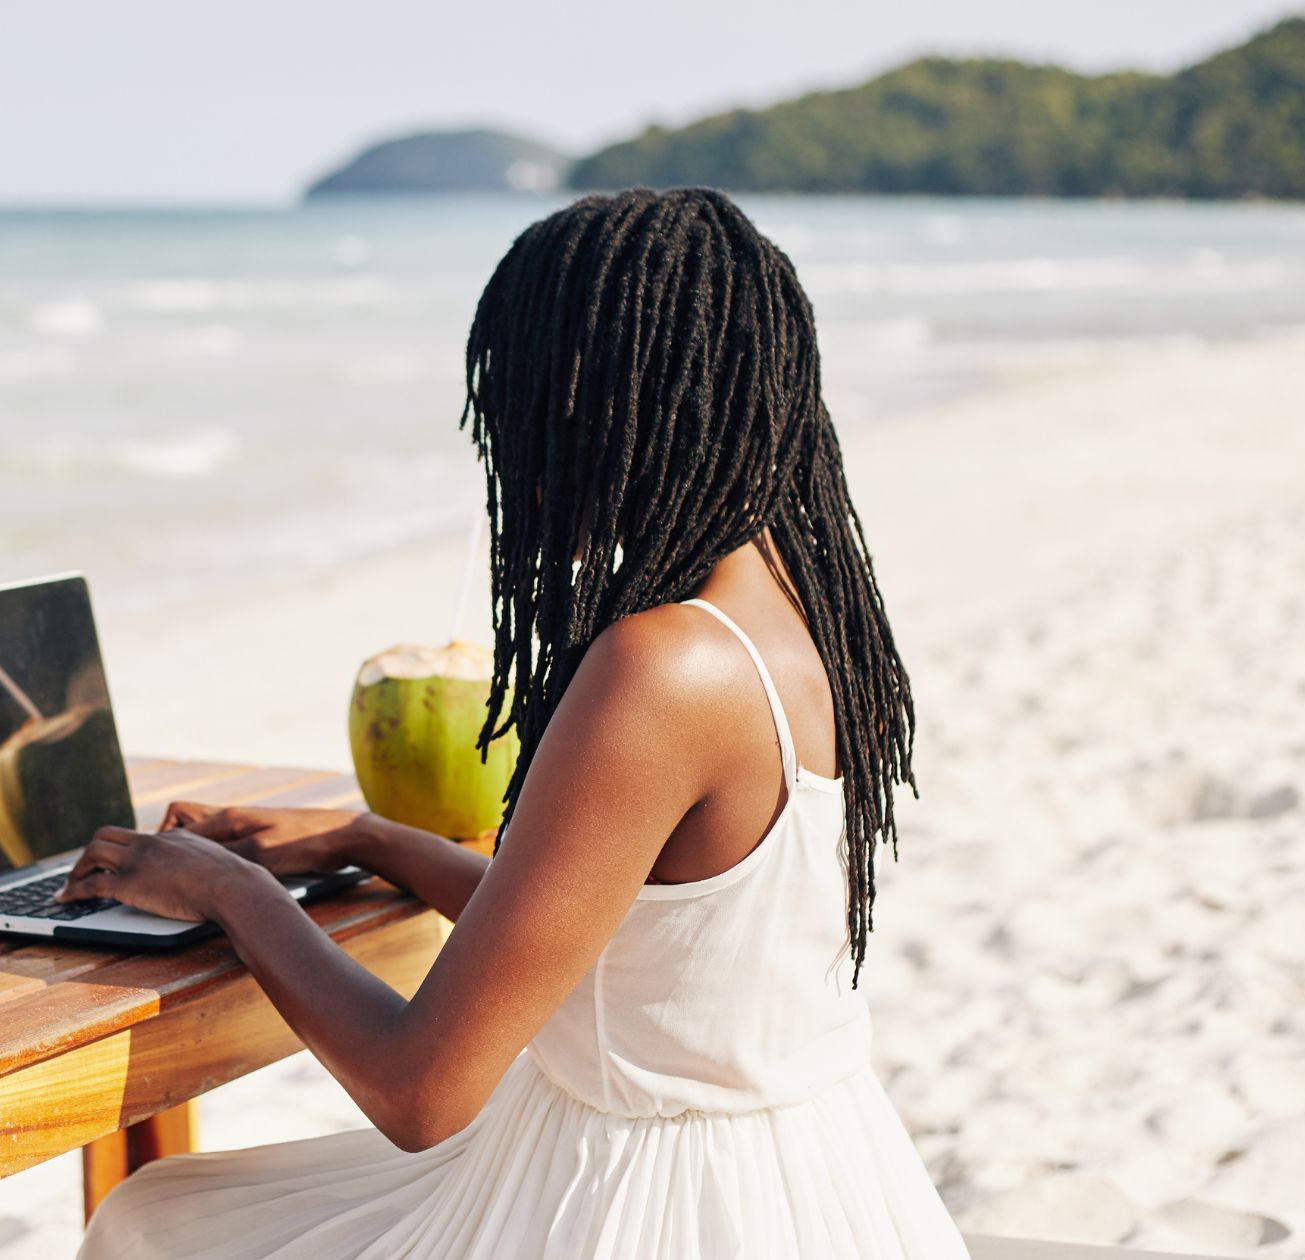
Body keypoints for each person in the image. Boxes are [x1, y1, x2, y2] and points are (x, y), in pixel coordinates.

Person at [57, 187, 969, 1258]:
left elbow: (419, 1091)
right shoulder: (799, 611)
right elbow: (623, 944)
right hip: (796, 1172)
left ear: (627, 406)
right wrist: (368, 842)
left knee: (153, 1222)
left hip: (640, 1200)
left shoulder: (660, 666)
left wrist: (228, 892)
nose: (507, 458)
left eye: (525, 411)